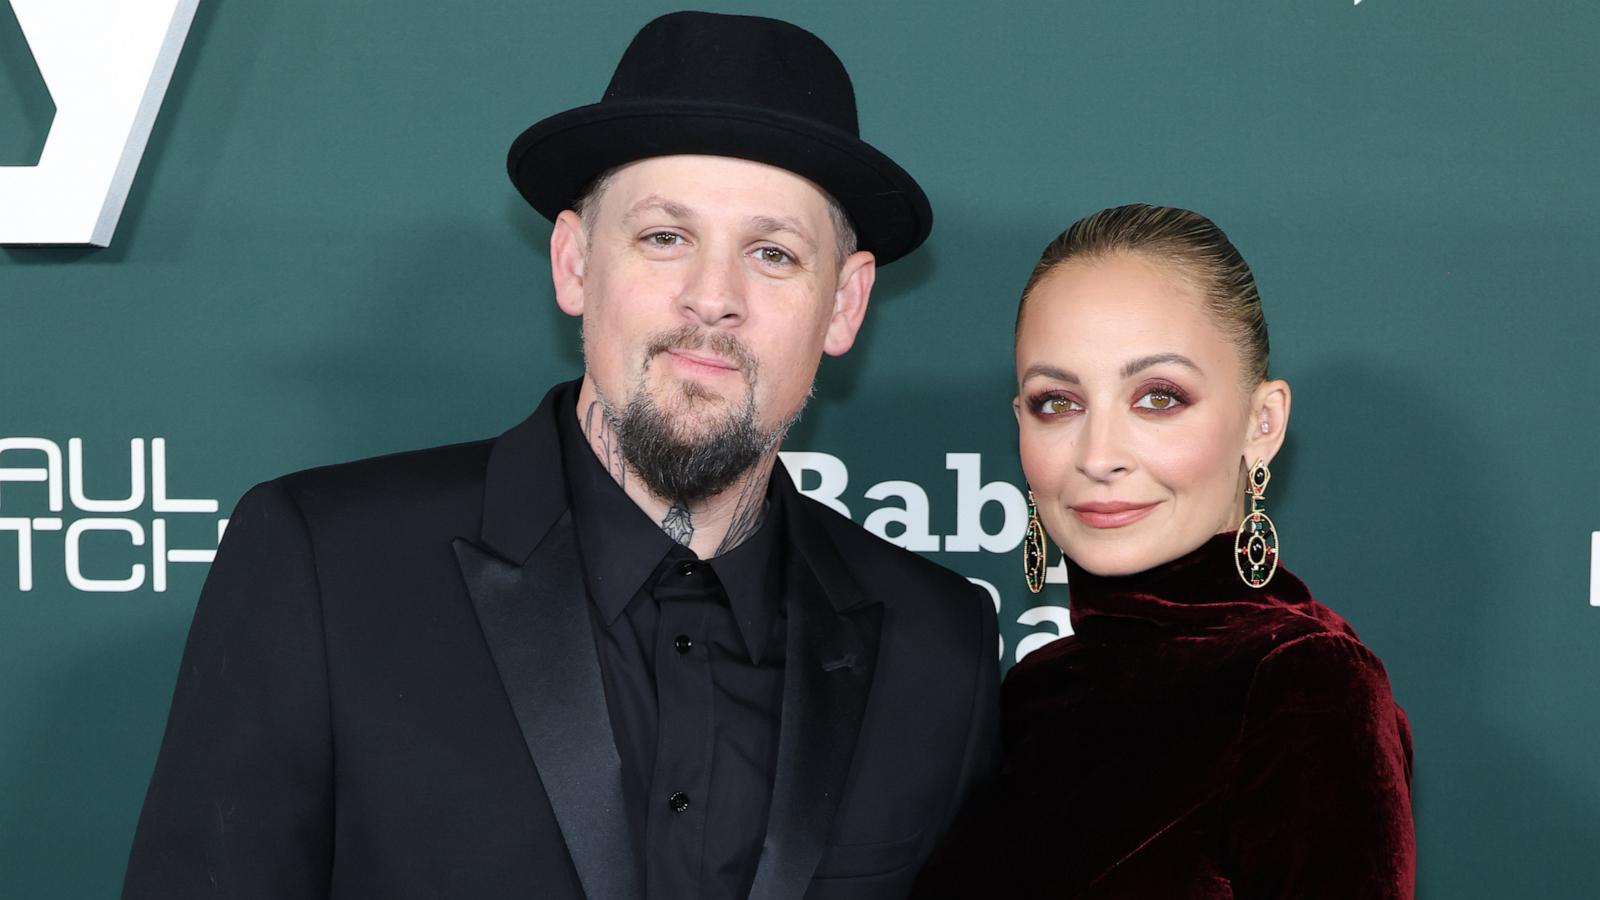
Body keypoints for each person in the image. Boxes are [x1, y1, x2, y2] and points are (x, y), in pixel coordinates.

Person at [122, 12, 999, 900]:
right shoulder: (328, 567)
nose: (712, 298)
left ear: (844, 305)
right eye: (666, 237)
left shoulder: (938, 643)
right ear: (576, 261)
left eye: (772, 254)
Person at [919, 204, 1414, 898]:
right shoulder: (1036, 689)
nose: (1098, 456)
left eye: (1158, 397)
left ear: (1261, 423)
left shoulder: (1302, 683)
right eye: (1057, 403)